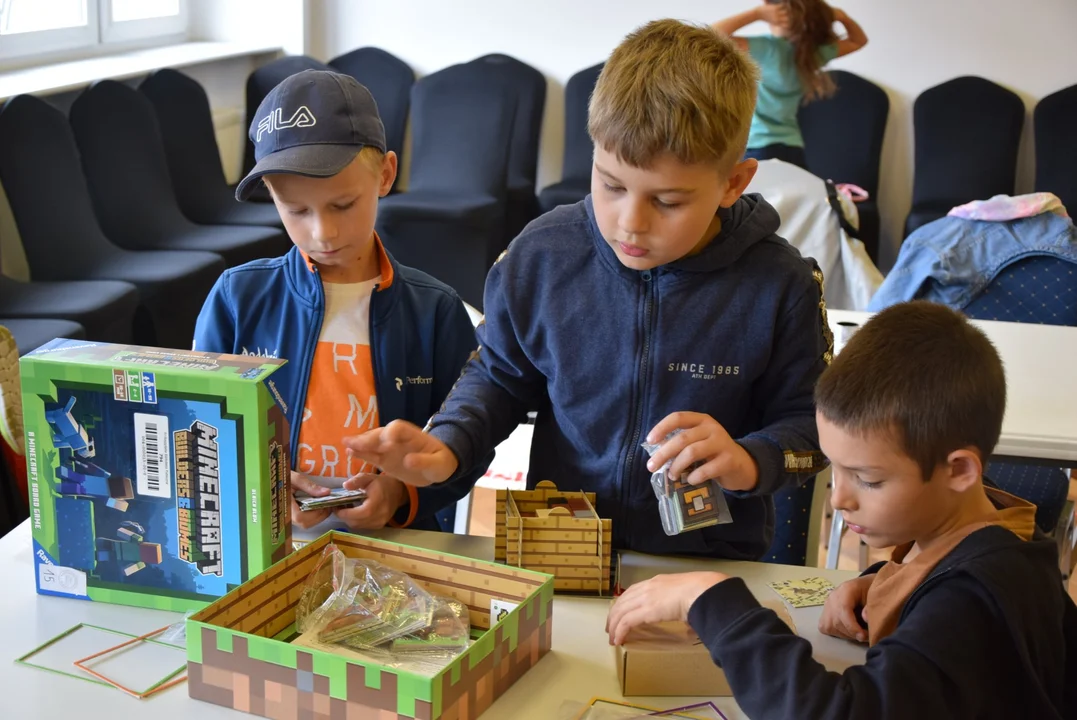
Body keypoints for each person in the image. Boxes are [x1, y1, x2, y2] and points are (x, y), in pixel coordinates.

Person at [345, 19, 831, 560]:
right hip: (562, 548)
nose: (630, 223)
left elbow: (813, 429)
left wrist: (749, 460)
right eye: (611, 184)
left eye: (667, 201)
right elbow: (500, 378)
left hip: (703, 570)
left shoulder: (780, 285)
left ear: (734, 183)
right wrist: (449, 446)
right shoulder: (543, 255)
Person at [606, 301, 1077, 719]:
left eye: (869, 479)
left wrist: (713, 601)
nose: (839, 499)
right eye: (838, 471)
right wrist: (884, 580)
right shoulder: (999, 541)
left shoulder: (976, 601)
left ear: (959, 471)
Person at [194, 70, 486, 534]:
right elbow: (199, 429)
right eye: (297, 211)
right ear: (272, 197)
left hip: (395, 547)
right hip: (267, 539)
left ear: (386, 175)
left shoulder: (435, 311)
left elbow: (469, 442)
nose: (322, 233)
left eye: (343, 205)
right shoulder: (237, 298)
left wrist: (399, 491)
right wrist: (256, 482)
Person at [713, 0, 868, 168]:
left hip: (758, 146)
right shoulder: (814, 52)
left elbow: (710, 36)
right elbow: (858, 41)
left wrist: (756, 14)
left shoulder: (767, 48)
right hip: (793, 147)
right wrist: (842, 17)